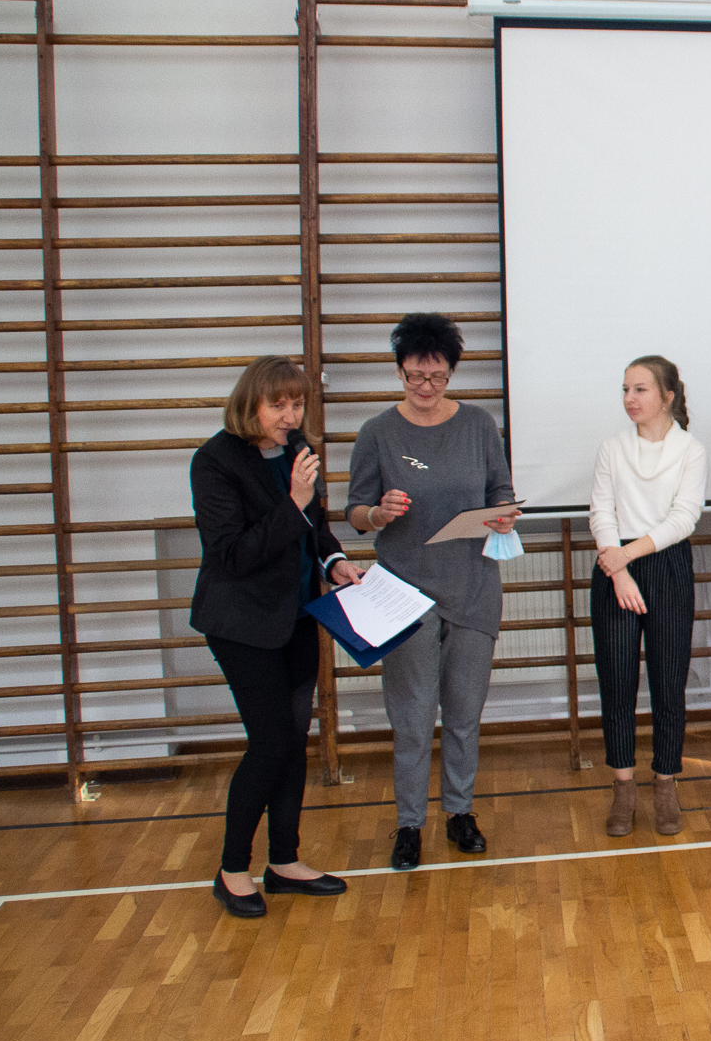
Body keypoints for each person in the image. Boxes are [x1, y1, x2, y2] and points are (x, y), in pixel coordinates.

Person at [190, 356, 361, 917]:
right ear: (251, 405)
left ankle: (284, 861)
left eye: (297, 404)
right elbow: (233, 554)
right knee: (268, 744)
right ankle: (231, 870)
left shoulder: (297, 451)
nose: (290, 416)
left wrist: (334, 561)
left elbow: (317, 527)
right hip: (242, 624)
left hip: (296, 617)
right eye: (278, 405)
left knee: (292, 741)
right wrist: (293, 502)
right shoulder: (214, 462)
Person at [345, 313, 517, 871]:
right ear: (399, 372)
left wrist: (503, 514)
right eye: (416, 376)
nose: (426, 386)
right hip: (405, 595)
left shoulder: (478, 425)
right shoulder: (377, 433)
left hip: (472, 587)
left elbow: (502, 490)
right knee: (414, 718)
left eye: (437, 376)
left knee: (464, 714)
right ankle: (409, 824)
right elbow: (354, 512)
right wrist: (377, 513)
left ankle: (460, 812)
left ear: (451, 374)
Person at [589, 356, 705, 837]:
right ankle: (623, 787)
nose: (629, 399)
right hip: (614, 569)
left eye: (640, 389)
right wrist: (617, 569)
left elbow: (683, 518)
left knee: (668, 683)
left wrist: (627, 556)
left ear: (667, 396)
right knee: (616, 684)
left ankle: (665, 783)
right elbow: (601, 512)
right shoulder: (612, 448)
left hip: (666, 565)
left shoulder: (690, 450)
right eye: (625, 389)